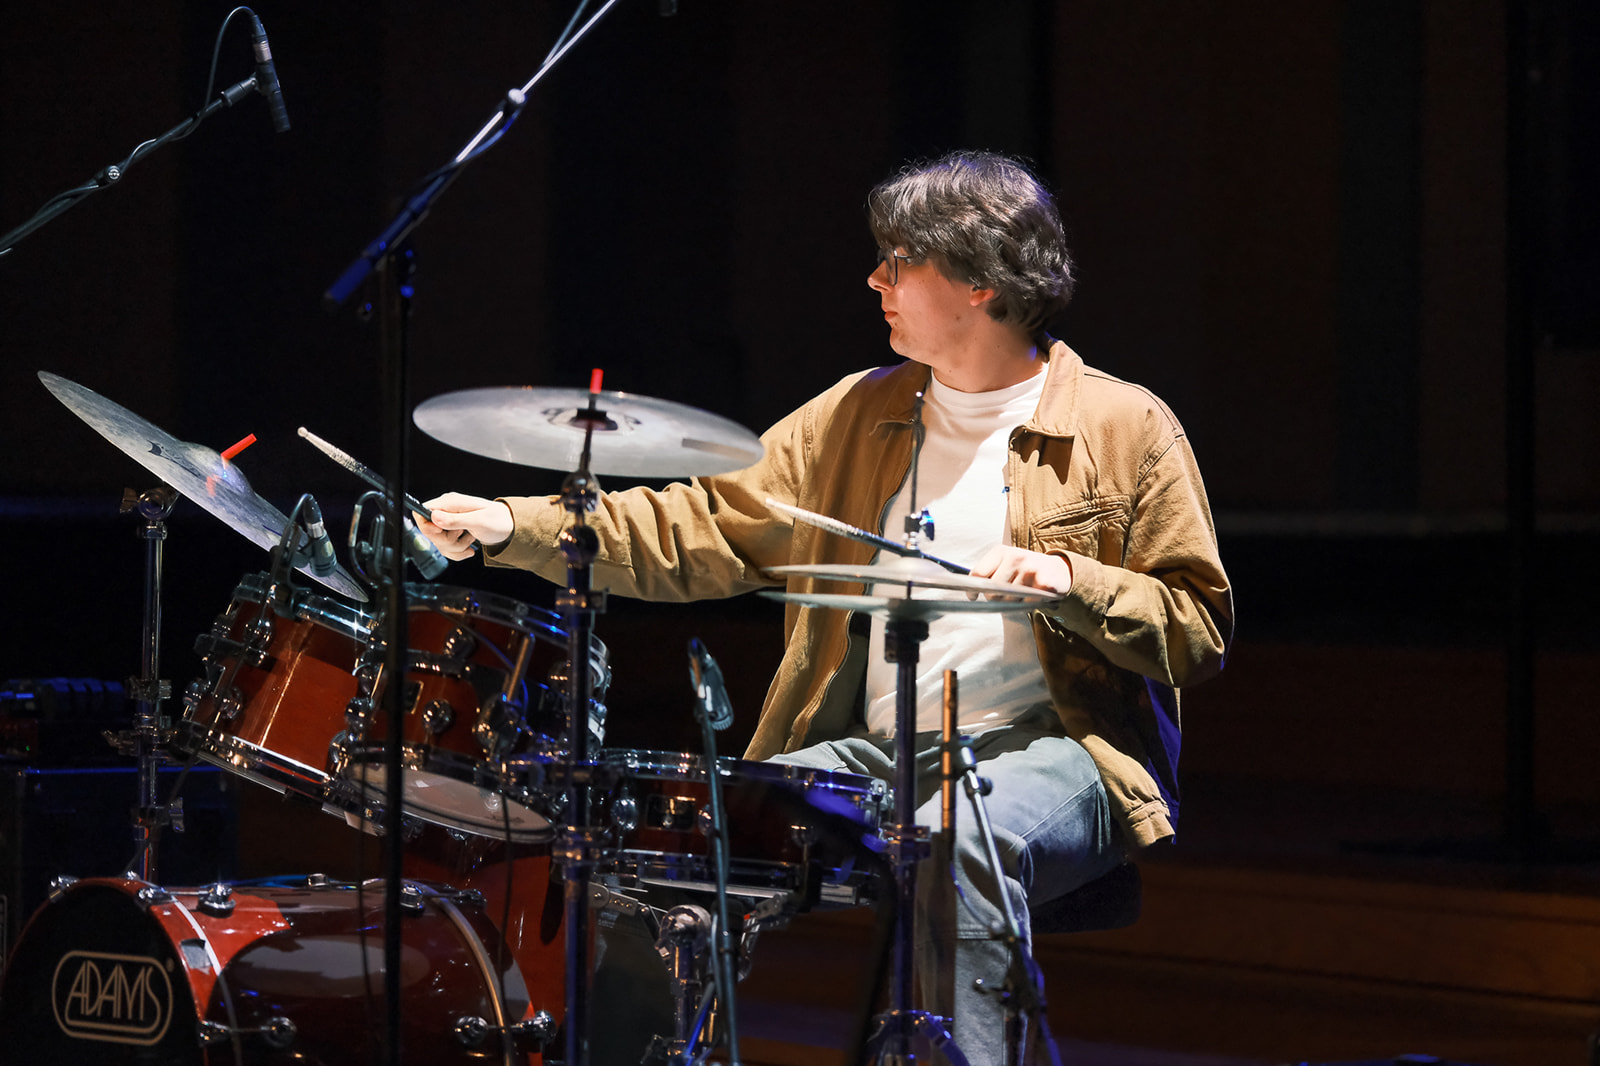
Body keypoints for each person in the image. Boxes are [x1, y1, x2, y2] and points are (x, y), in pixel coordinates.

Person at [417, 150, 1233, 1065]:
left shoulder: (1126, 426)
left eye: (900, 261)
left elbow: (1195, 629)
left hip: (1061, 752)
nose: (875, 279)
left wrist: (1071, 581)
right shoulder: (855, 413)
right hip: (878, 754)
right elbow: (702, 526)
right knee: (679, 836)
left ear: (978, 280)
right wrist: (513, 525)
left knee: (953, 841)